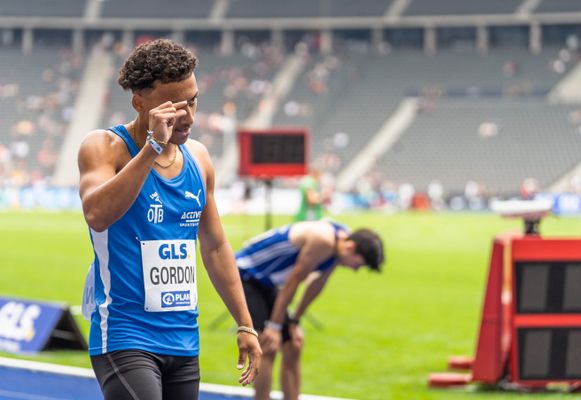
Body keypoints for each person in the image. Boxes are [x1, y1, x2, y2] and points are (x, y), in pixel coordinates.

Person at [77, 39, 261, 400]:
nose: (188, 116)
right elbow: (97, 214)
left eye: (192, 101)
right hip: (124, 333)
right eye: (173, 106)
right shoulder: (103, 147)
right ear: (139, 103)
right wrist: (152, 148)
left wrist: (246, 323)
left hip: (182, 339)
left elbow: (215, 245)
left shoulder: (200, 159)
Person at [236, 220, 384, 400]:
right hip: (245, 273)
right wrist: (274, 326)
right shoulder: (324, 240)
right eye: (358, 265)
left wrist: (295, 322)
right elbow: (294, 280)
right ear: (351, 247)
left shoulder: (341, 244)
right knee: (268, 345)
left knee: (293, 345)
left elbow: (317, 283)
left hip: (268, 282)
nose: (355, 270)